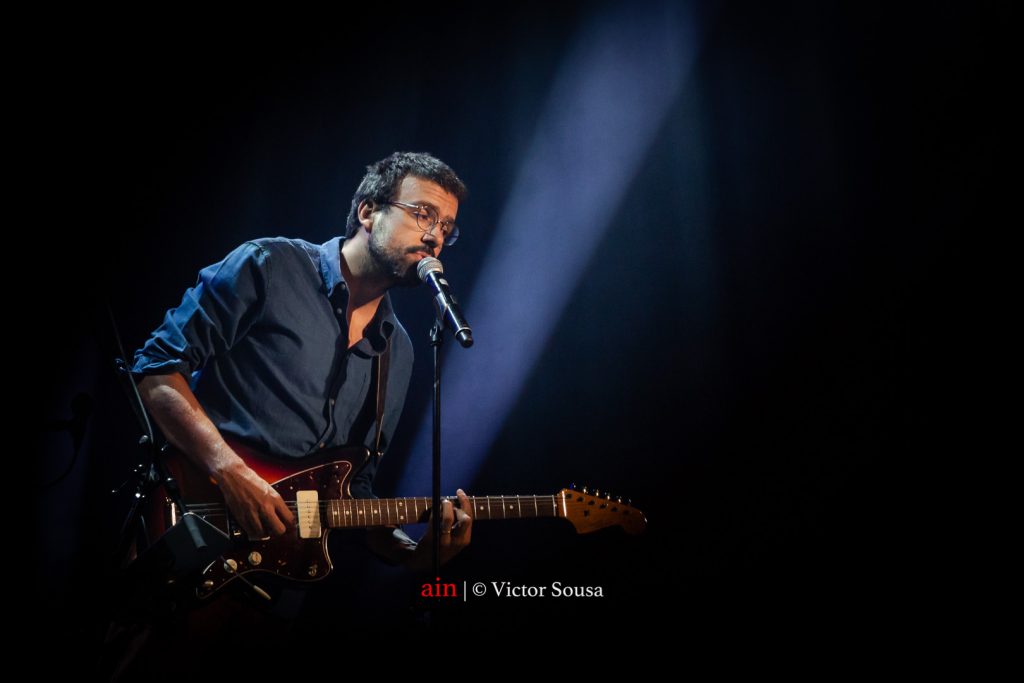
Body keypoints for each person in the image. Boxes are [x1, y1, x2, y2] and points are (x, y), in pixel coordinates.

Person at [111, 152, 472, 670]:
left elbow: (355, 493)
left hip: (276, 594)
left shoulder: (400, 352)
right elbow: (155, 370)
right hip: (187, 536)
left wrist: (415, 553)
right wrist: (230, 472)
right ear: (368, 211)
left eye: (446, 228)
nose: (435, 236)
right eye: (423, 214)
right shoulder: (270, 265)